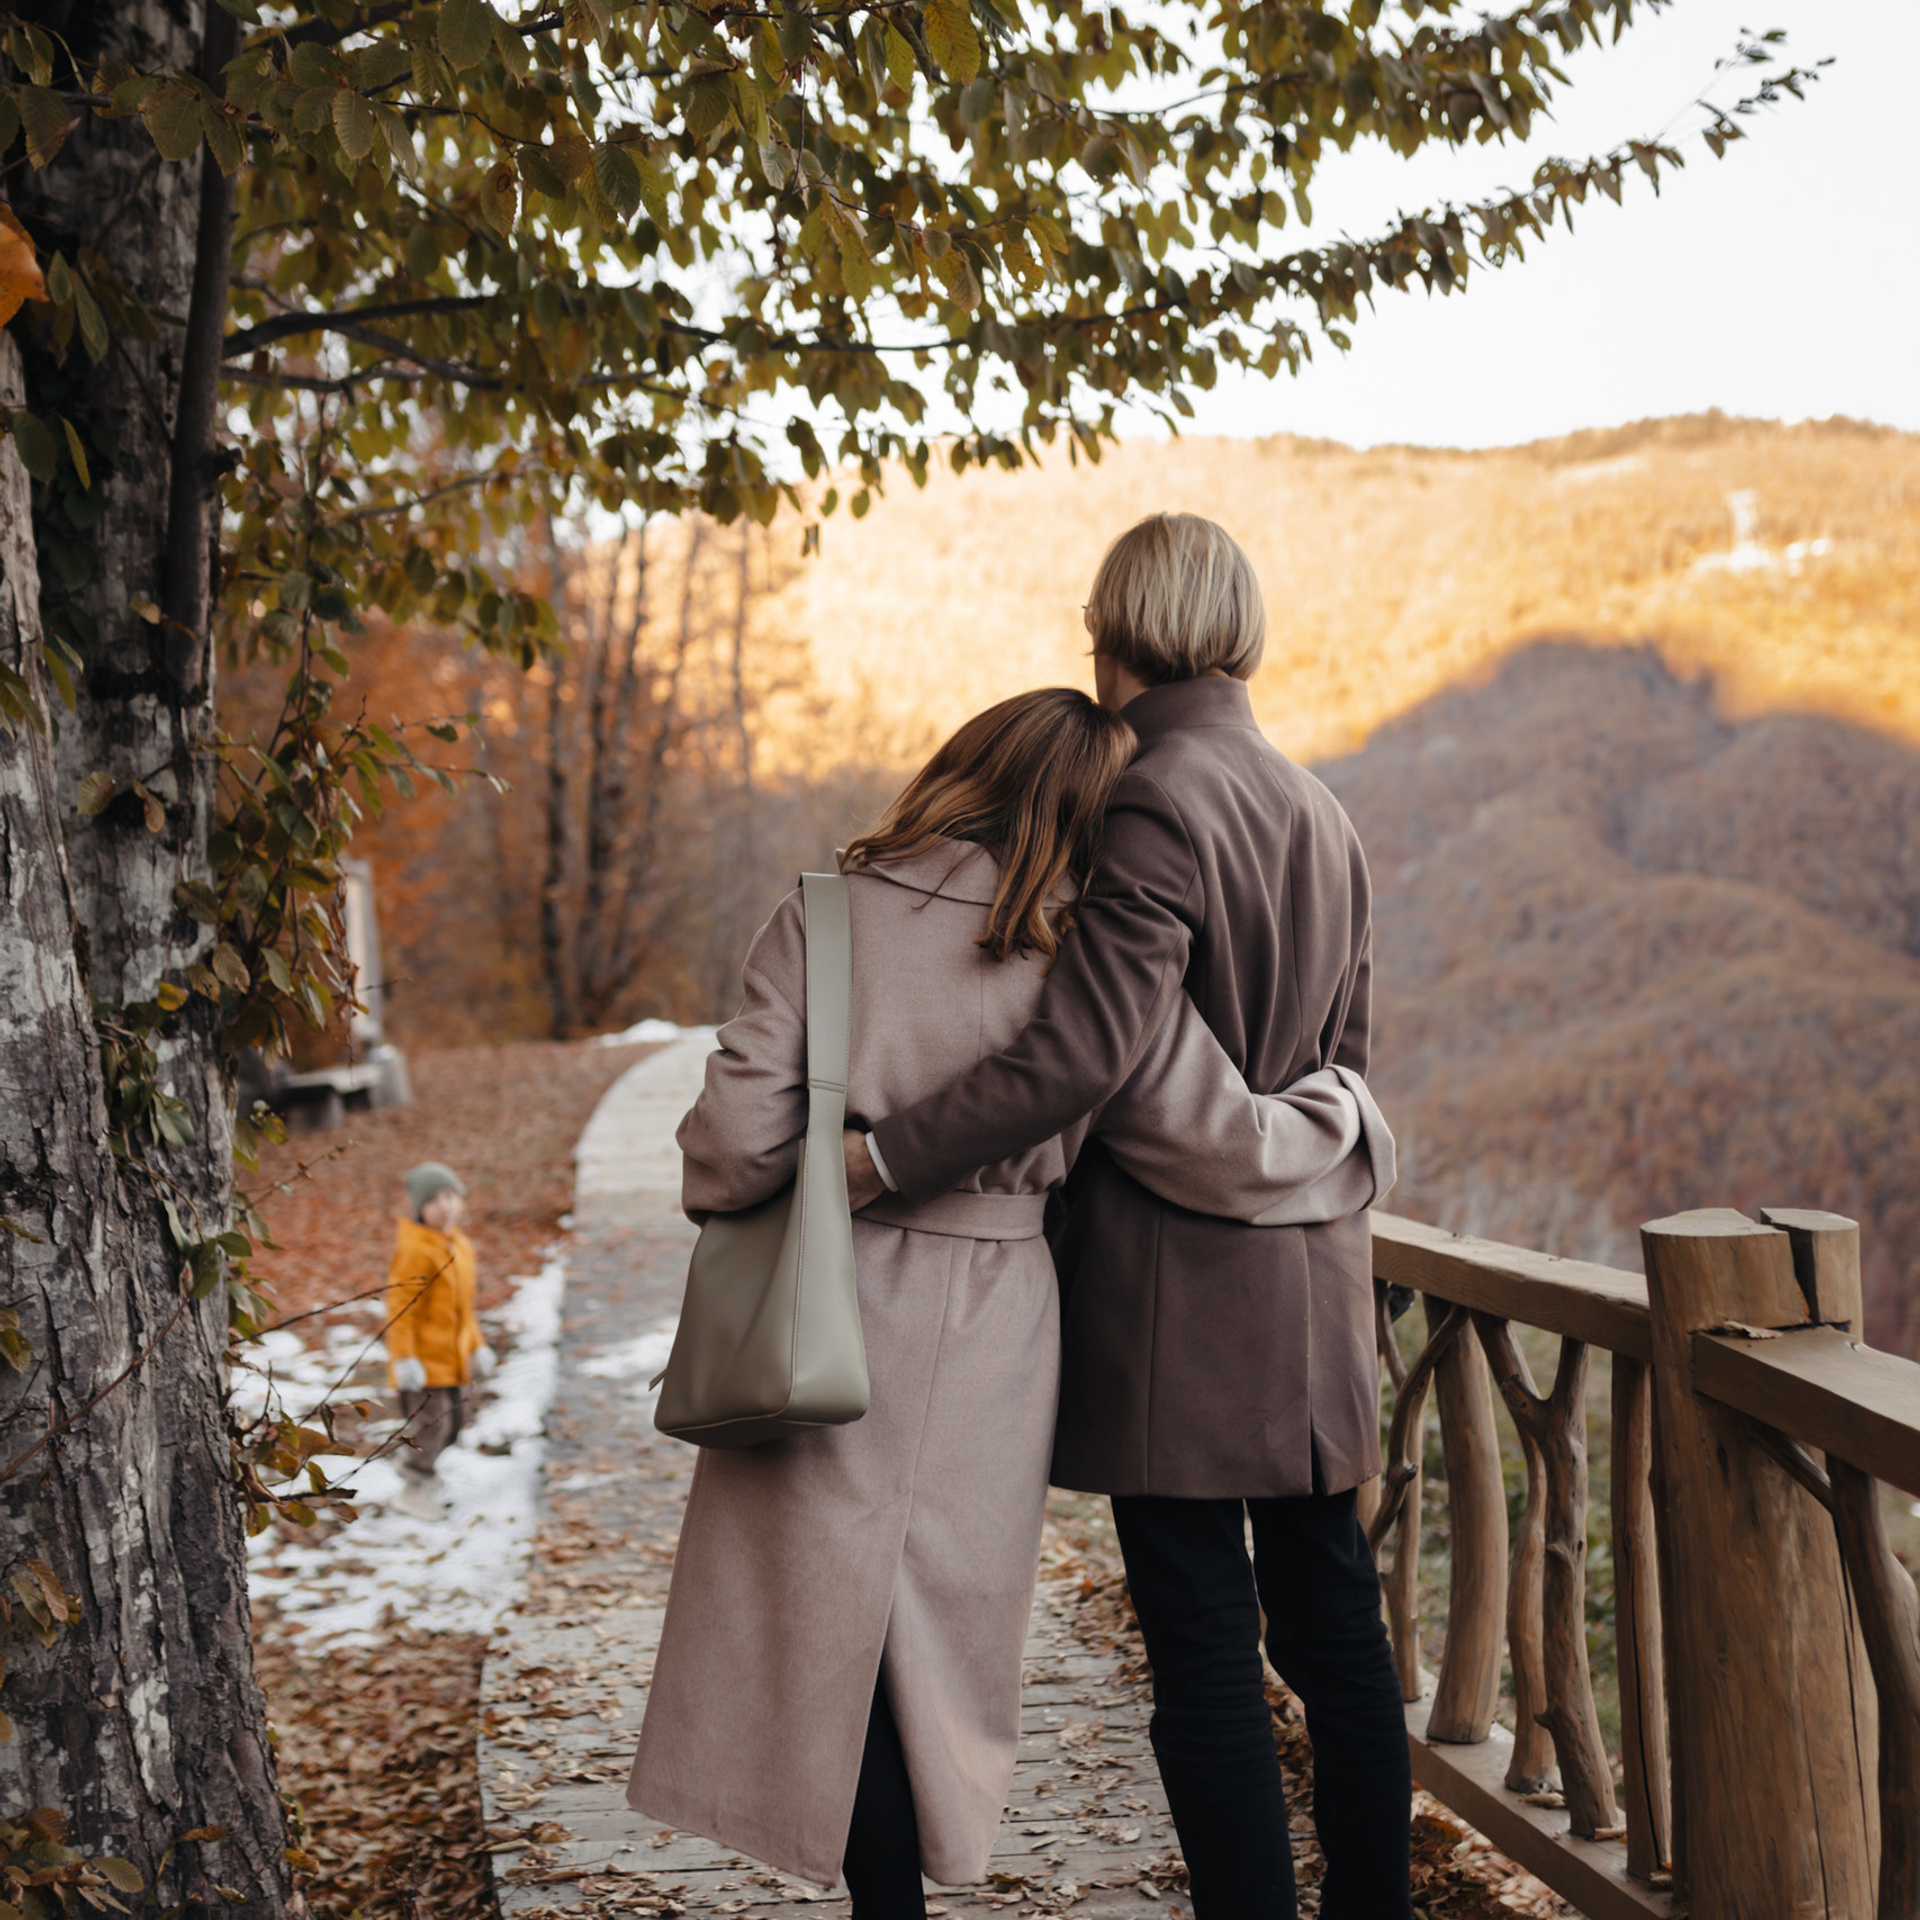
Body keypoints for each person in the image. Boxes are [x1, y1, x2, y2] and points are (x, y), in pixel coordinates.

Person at [628, 687, 1395, 1914]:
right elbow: (1207, 1140)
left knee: (836, 1637)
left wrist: (846, 1149)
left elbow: (723, 1150)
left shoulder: (824, 918)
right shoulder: (1086, 963)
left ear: (957, 768)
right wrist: (1346, 1122)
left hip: (832, 1293)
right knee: (937, 1640)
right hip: (1004, 1320)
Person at [849, 515, 1412, 1920]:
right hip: (1316, 1288)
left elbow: (1077, 1056)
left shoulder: (1149, 798)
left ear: (1113, 634)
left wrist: (886, 1159)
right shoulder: (1320, 809)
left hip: (1180, 1301)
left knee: (1208, 1650)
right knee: (1337, 1627)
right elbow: (1347, 1055)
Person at [385, 1161, 496, 1523]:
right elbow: (401, 1308)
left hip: (451, 1360)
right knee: (432, 1429)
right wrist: (404, 1358)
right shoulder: (417, 1250)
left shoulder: (460, 1246)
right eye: (432, 1200)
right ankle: (412, 1489)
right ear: (420, 1209)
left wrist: (476, 1346)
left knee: (454, 1425)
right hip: (422, 1363)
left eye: (449, 1196)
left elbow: (464, 1309)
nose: (444, 1206)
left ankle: (425, 1477)